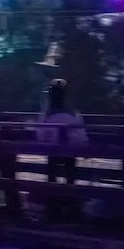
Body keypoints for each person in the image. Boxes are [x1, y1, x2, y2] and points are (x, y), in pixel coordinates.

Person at [33, 79, 88, 222]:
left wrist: (45, 141)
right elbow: (81, 133)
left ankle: (53, 208)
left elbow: (40, 134)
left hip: (53, 150)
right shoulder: (73, 112)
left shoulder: (47, 114)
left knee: (52, 177)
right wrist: (82, 146)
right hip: (70, 151)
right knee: (70, 178)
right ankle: (71, 208)